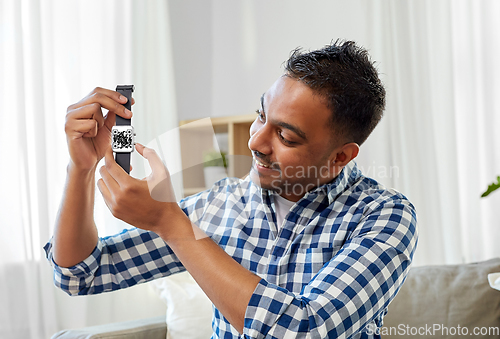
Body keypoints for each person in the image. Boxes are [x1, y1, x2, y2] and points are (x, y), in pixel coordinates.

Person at [45, 40, 418, 339]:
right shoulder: (222, 204)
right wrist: (80, 168)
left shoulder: (383, 216)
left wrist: (171, 223)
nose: (256, 141)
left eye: (285, 136)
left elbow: (303, 329)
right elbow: (81, 274)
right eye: (261, 116)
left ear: (340, 157)